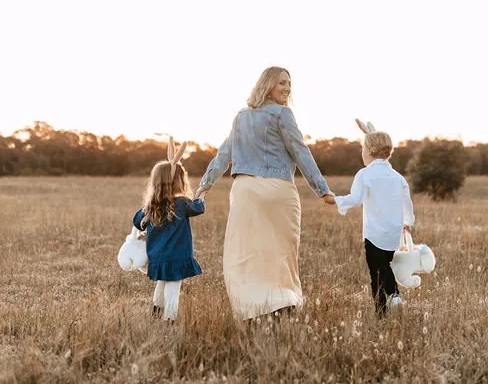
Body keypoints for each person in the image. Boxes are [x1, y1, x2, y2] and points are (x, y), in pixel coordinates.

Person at [195, 66, 335, 320]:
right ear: (268, 84)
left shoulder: (241, 117)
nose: (287, 88)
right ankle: (282, 301)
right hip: (277, 190)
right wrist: (321, 189)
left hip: (245, 191)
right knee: (281, 250)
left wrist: (206, 183)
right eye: (282, 82)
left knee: (245, 252)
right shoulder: (283, 114)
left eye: (289, 84)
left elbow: (224, 154)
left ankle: (252, 307)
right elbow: (300, 151)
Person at [334, 120, 415, 317]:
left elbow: (356, 199)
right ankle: (386, 306)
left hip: (374, 234)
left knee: (376, 273)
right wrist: (408, 222)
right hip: (393, 234)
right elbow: (407, 202)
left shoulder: (365, 174)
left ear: (369, 149)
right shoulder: (397, 177)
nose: (362, 152)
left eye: (363, 147)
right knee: (384, 266)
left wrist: (335, 200)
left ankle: (391, 300)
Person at [132, 151, 205, 321]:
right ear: (177, 181)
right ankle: (169, 321)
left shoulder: (150, 206)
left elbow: (137, 221)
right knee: (172, 288)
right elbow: (199, 208)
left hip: (157, 256)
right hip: (177, 256)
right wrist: (201, 195)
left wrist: (145, 217)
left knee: (162, 283)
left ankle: (156, 313)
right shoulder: (182, 204)